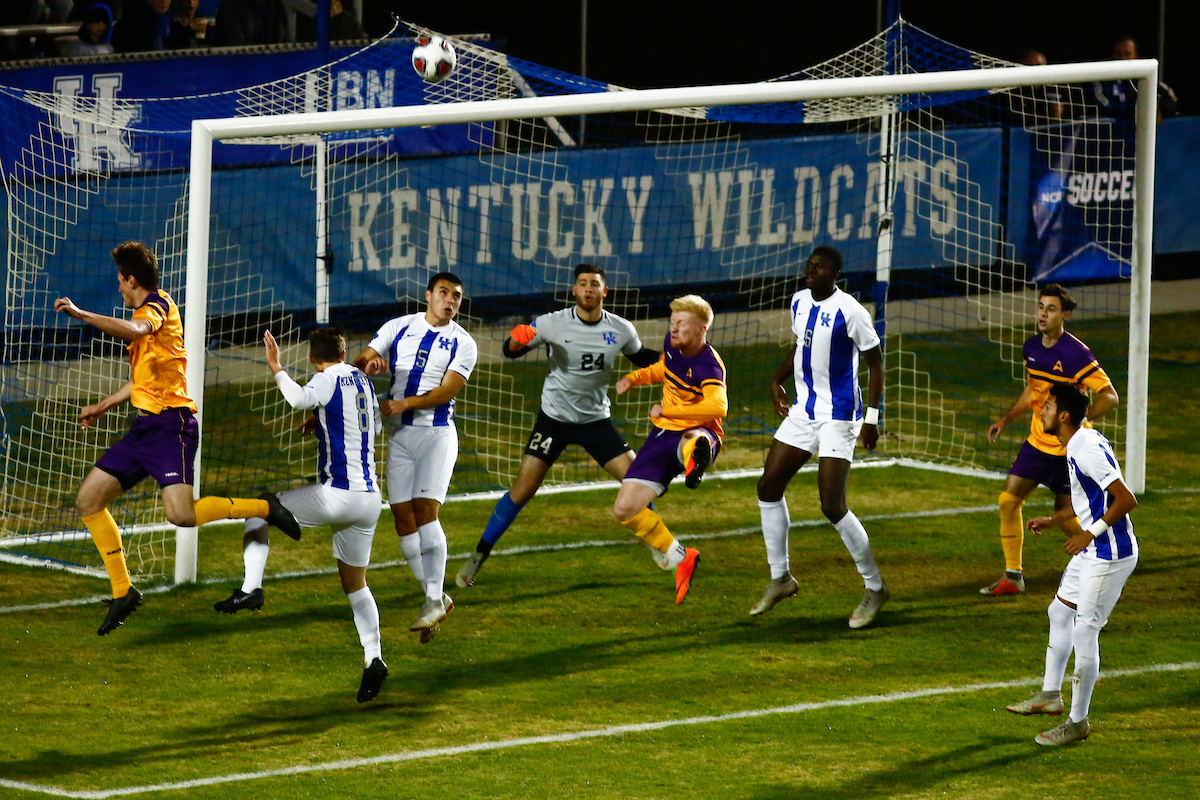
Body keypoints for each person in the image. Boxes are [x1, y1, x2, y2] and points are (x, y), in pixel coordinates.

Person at [54, 242, 302, 635]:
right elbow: (143, 380)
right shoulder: (153, 306)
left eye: (120, 280)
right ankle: (124, 592)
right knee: (88, 500)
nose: (118, 287)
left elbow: (135, 329)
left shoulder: (154, 310)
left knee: (181, 515)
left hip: (173, 428)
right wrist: (103, 406)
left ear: (130, 280)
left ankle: (263, 506)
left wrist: (82, 314)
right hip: (144, 430)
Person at [455, 264, 659, 588]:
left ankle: (654, 540)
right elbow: (510, 352)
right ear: (574, 291)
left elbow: (641, 357)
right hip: (554, 419)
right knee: (522, 491)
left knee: (639, 481)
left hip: (595, 420)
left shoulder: (621, 329)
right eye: (582, 284)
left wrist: (679, 361)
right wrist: (515, 341)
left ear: (605, 292)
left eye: (595, 284)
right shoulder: (552, 323)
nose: (588, 289)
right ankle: (478, 555)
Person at [211, 328, 387, 702]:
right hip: (370, 500)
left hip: (337, 495)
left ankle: (251, 589)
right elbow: (370, 426)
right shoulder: (365, 382)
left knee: (261, 506)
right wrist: (322, 423)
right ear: (345, 352)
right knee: (356, 585)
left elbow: (297, 398)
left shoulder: (325, 379)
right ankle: (374, 659)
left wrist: (275, 366)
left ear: (311, 358)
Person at [750, 245, 889, 629]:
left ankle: (875, 588)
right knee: (768, 486)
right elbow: (801, 346)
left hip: (840, 415)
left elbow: (876, 365)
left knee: (832, 504)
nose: (811, 270)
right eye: (809, 265)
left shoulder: (851, 311)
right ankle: (781, 578)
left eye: (820, 267)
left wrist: (871, 419)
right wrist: (777, 379)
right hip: (803, 411)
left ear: (835, 274)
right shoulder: (798, 302)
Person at [1004, 383, 1138, 746]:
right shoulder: (1079, 441)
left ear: (1063, 415)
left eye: (1047, 406)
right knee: (1059, 612)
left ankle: (1078, 723)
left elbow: (1126, 499)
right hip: (1095, 550)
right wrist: (1054, 519)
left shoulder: (1086, 448)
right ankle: (1050, 696)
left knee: (1085, 631)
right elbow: (1090, 499)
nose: (1041, 411)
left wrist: (1089, 534)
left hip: (1109, 555)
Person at [352, 272, 478, 642]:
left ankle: (433, 601)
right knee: (402, 520)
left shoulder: (464, 343)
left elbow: (448, 390)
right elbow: (365, 359)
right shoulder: (399, 327)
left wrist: (404, 403)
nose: (450, 300)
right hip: (401, 436)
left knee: (426, 511)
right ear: (428, 295)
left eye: (456, 295)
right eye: (443, 293)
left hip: (436, 435)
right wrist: (370, 366)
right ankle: (436, 598)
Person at [982, 284, 1118, 596]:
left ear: (1065, 315)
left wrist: (1083, 419)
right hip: (1036, 443)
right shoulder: (1031, 347)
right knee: (1008, 501)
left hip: (1067, 450)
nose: (1043, 313)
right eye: (1041, 307)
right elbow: (1033, 391)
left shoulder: (1076, 354)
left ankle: (1106, 559)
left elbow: (1110, 396)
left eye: (1051, 309)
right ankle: (1012, 576)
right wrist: (1006, 418)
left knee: (1067, 519)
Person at [611, 294, 726, 605]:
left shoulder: (708, 364)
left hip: (698, 429)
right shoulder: (672, 345)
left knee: (693, 439)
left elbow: (718, 405)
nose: (673, 329)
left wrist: (671, 414)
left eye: (681, 324)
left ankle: (695, 461)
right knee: (624, 509)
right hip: (662, 434)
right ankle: (681, 557)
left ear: (702, 329)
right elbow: (664, 368)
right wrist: (635, 378)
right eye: (672, 322)